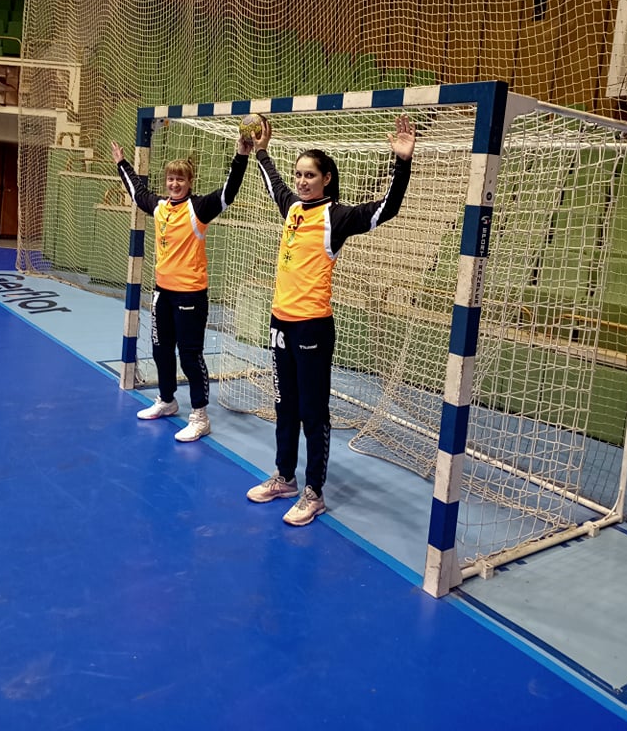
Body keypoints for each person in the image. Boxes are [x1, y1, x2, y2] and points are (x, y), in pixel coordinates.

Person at [246, 115, 416, 525]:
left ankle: (314, 492)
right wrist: (262, 152)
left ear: (326, 179)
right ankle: (285, 477)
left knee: (312, 411)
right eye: (299, 174)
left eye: (310, 175)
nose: (302, 181)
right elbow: (274, 184)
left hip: (312, 327)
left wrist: (402, 162)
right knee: (285, 406)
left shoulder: (336, 217)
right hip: (280, 323)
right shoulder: (292, 209)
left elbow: (386, 209)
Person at [111, 133, 253, 441]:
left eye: (180, 179)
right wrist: (122, 163)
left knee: (189, 355)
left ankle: (200, 416)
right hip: (162, 293)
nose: (174, 184)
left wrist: (241, 157)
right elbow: (137, 192)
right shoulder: (160, 207)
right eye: (171, 179)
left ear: (189, 182)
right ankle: (167, 400)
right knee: (161, 350)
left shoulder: (198, 208)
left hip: (190, 295)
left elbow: (228, 192)